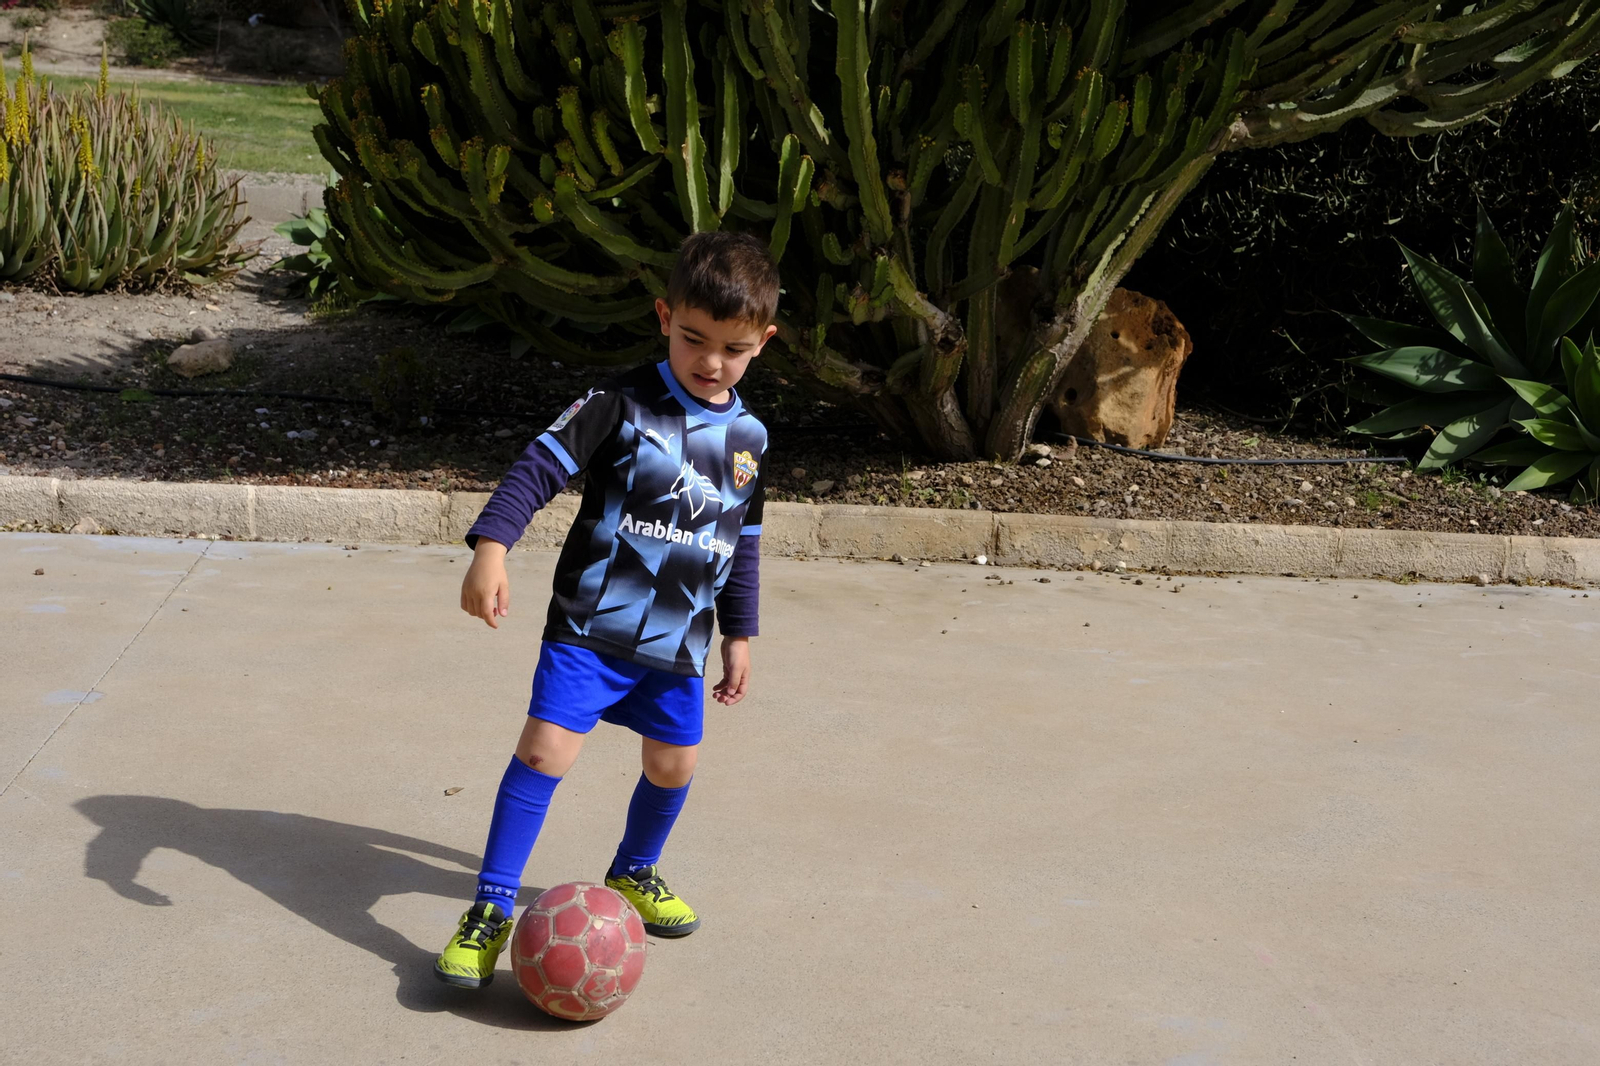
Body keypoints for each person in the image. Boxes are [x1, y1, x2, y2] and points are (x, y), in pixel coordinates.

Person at [433, 231, 778, 988]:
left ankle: (634, 870)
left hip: (679, 642)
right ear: (664, 316)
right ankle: (490, 910)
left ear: (764, 341)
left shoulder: (750, 439)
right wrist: (492, 546)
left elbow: (741, 545)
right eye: (694, 339)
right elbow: (538, 465)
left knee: (674, 763)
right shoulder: (619, 403)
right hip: (591, 628)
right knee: (543, 754)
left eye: (734, 348)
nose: (711, 361)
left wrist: (740, 635)